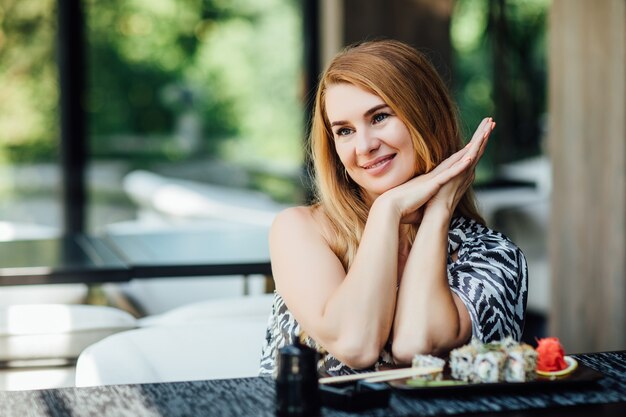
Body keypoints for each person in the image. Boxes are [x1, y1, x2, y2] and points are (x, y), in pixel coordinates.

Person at [259, 39, 528, 376]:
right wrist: (389, 209)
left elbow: (416, 344)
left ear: (427, 117)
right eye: (344, 130)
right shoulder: (300, 230)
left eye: (380, 117)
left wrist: (438, 211)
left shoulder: (493, 256)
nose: (364, 146)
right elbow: (355, 343)